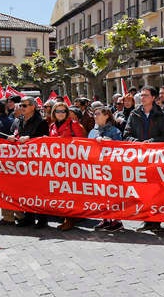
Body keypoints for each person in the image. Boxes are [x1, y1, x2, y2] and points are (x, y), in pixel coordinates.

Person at [125, 85, 164, 232]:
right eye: (141, 95)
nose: (142, 97)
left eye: (145, 95)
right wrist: (137, 143)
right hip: (139, 160)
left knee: (156, 191)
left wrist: (151, 142)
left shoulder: (161, 115)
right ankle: (146, 219)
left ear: (153, 98)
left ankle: (156, 221)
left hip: (155, 159)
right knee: (142, 191)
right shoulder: (134, 114)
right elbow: (126, 135)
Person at [49, 101, 87, 231]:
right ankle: (67, 215)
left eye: (63, 111)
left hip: (71, 164)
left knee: (70, 191)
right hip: (57, 163)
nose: (60, 114)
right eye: (58, 111)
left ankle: (70, 219)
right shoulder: (52, 126)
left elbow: (82, 142)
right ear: (54, 113)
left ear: (67, 113)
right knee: (61, 191)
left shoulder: (74, 124)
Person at [12, 96, 50, 228]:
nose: (21, 108)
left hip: (37, 161)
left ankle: (42, 218)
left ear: (33, 106)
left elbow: (44, 140)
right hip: (22, 160)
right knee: (25, 190)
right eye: (21, 105)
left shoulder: (41, 122)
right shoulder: (18, 120)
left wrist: (30, 138)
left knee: (38, 190)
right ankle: (28, 217)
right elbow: (16, 134)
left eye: (25, 105)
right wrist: (12, 137)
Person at [89, 107, 124, 232]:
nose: (95, 116)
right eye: (94, 114)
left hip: (111, 168)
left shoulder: (114, 131)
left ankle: (117, 220)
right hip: (96, 167)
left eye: (98, 114)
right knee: (100, 194)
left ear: (106, 116)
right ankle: (105, 218)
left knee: (112, 193)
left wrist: (109, 142)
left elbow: (120, 148)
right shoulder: (93, 132)